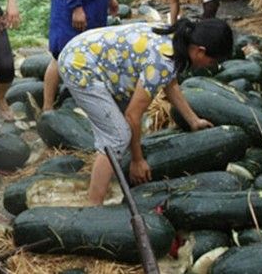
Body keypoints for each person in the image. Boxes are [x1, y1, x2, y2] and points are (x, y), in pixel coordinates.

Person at [57, 18, 232, 204]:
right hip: (79, 66)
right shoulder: (163, 59)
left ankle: (105, 176)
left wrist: (193, 120)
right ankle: (94, 206)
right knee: (117, 137)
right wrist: (137, 160)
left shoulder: (179, 38)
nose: (210, 66)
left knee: (120, 132)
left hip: (88, 54)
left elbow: (169, 83)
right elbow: (133, 115)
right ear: (200, 50)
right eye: (212, 61)